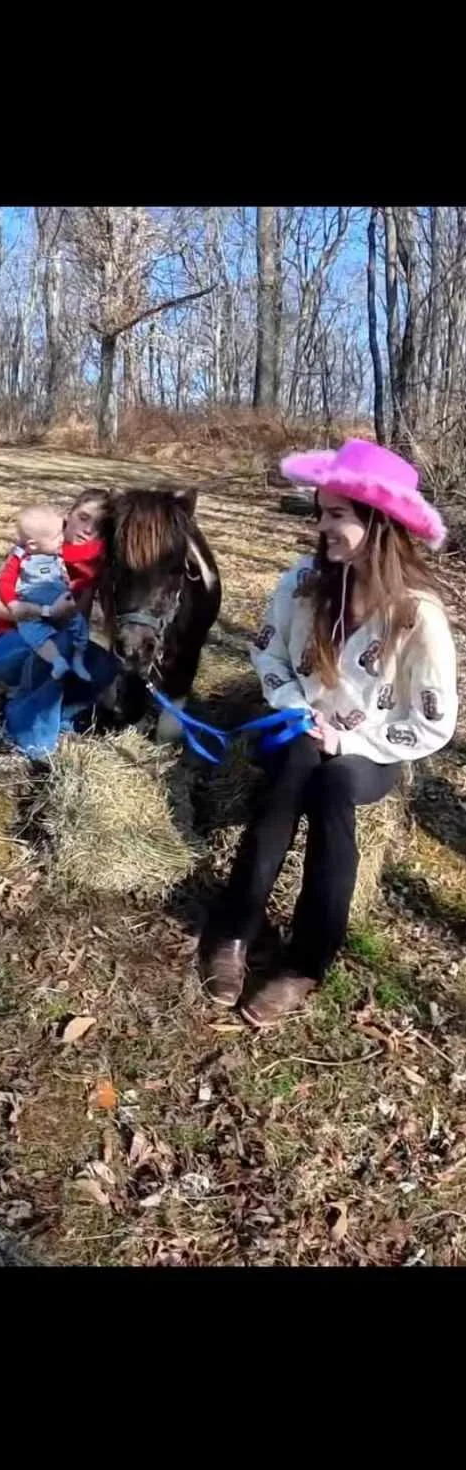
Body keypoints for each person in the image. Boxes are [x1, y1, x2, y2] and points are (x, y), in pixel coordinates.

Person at [201, 439, 456, 1028]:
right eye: (321, 512)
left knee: (335, 784)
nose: (324, 526)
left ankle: (307, 961)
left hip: (373, 748)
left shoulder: (419, 614)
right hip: (302, 727)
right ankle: (234, 930)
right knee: (295, 764)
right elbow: (267, 656)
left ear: (380, 522)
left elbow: (433, 721)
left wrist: (355, 740)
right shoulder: (302, 584)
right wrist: (298, 710)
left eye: (338, 513)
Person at [0, 487, 115, 757]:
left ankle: (58, 718)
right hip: (7, 646)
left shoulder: (92, 568)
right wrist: (45, 612)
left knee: (105, 666)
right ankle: (31, 735)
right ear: (69, 515)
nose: (88, 529)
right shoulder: (32, 547)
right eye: (84, 517)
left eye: (99, 526)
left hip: (56, 647)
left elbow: (81, 622)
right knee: (58, 641)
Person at [0, 504, 91, 682]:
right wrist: (13, 603)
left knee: (80, 628)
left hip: (63, 608)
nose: (62, 539)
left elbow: (81, 560)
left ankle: (79, 660)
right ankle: (57, 662)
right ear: (33, 544)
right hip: (32, 612)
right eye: (57, 537)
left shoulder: (56, 553)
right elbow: (4, 582)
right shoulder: (20, 557)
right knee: (36, 635)